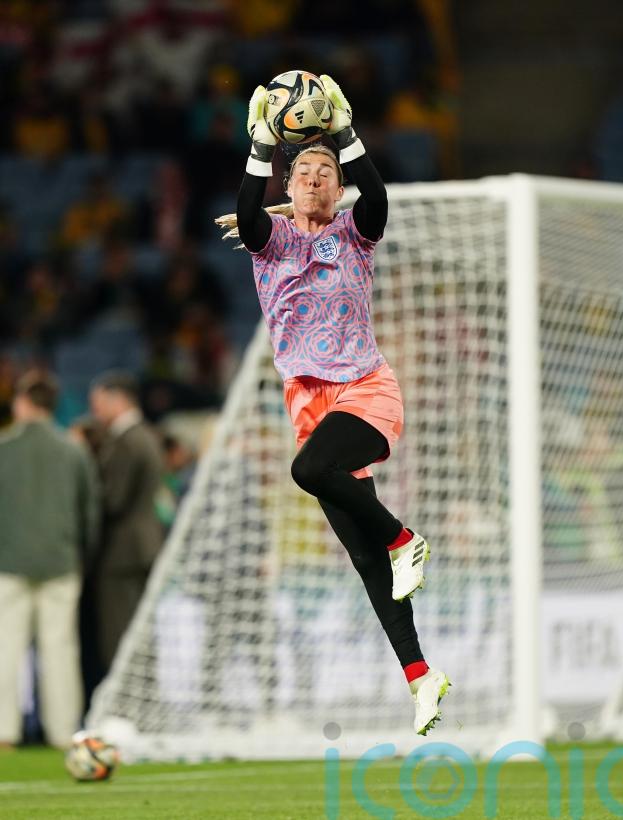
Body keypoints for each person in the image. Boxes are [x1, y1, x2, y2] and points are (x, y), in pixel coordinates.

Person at [216, 76, 450, 734]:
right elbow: (247, 203)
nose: (315, 178)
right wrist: (261, 144)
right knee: (364, 559)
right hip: (310, 406)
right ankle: (421, 677)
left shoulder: (356, 233)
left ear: (337, 186)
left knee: (309, 472)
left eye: (326, 172)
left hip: (365, 389)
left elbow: (377, 195)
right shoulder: (269, 241)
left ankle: (406, 538)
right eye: (304, 171)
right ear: (288, 187)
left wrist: (345, 133)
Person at [0, 371, 99, 749]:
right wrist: (82, 557)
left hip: (9, 563)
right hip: (61, 562)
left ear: (23, 402)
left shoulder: (4, 449)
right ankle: (63, 732)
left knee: (6, 649)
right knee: (59, 650)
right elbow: (89, 512)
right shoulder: (73, 451)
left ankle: (4, 732)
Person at [88, 370, 164, 675]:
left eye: (97, 403)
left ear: (117, 400)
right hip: (146, 546)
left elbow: (113, 500)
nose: (94, 411)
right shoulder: (147, 435)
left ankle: (122, 701)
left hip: (121, 554)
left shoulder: (125, 441)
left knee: (119, 634)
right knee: (142, 633)